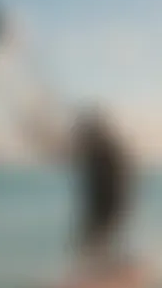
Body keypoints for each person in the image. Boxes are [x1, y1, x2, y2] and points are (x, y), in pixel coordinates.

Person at [18, 100, 134, 278]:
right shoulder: (101, 145)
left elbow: (64, 152)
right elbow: (64, 152)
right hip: (104, 199)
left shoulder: (102, 147)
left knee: (94, 240)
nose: (79, 135)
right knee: (92, 241)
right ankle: (108, 270)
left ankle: (113, 271)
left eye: (82, 132)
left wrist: (36, 131)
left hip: (110, 200)